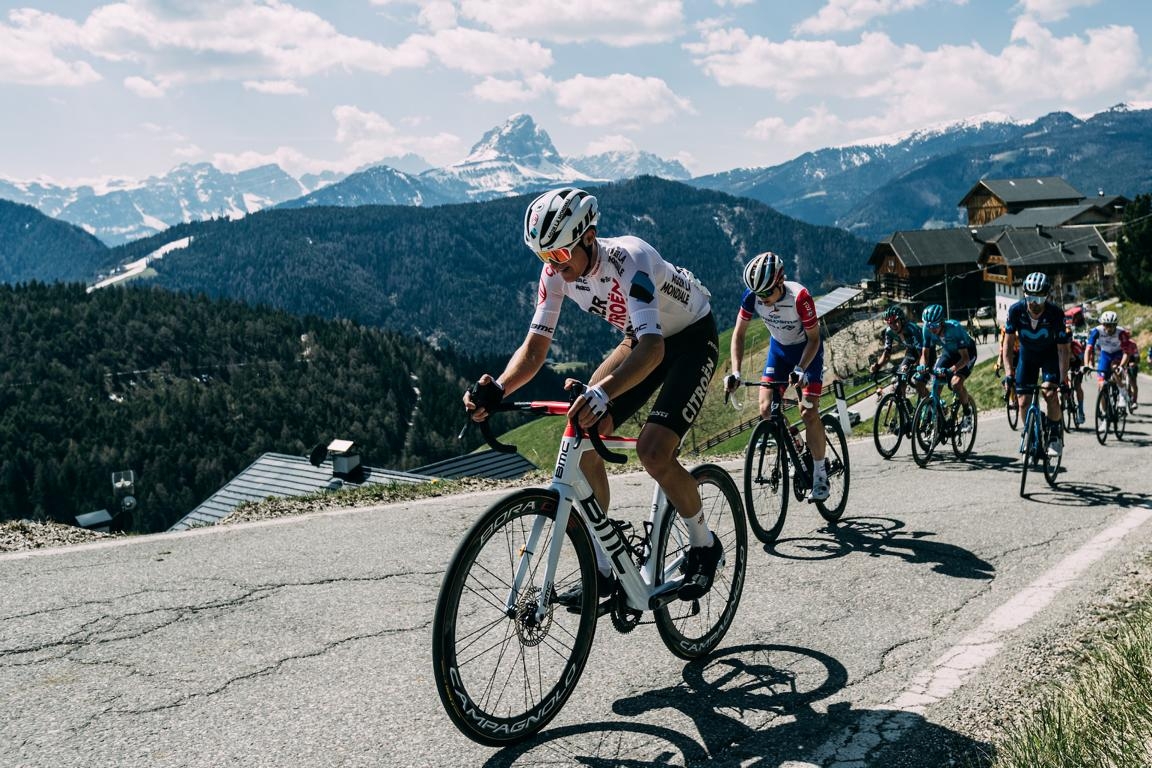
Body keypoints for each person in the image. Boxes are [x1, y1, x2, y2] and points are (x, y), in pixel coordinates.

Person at [464, 187, 722, 603]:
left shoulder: (629, 260)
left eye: (561, 256)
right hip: (638, 338)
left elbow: (655, 349)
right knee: (581, 435)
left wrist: (603, 393)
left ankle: (703, 543)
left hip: (690, 339)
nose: (554, 267)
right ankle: (606, 567)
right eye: (545, 258)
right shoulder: (555, 272)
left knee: (653, 451)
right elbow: (534, 351)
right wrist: (498, 388)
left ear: (589, 236)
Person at [723, 251, 828, 501]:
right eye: (758, 295)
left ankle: (821, 474)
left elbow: (814, 339)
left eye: (766, 294)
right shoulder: (752, 296)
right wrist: (736, 371)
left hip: (806, 353)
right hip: (779, 352)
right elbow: (738, 335)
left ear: (780, 282)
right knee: (766, 409)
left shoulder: (799, 297)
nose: (762, 299)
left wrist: (801, 368)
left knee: (808, 412)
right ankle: (798, 445)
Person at [1001, 272, 1070, 456]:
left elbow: (1063, 350)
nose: (1034, 303)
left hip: (1049, 356)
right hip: (1027, 356)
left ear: (1047, 296)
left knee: (1049, 393)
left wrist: (1063, 380)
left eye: (1040, 298)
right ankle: (1030, 431)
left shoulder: (1055, 313)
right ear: (1025, 295)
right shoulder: (1016, 311)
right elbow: (1007, 345)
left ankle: (1055, 434)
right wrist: (1009, 373)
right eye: (1031, 297)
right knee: (1023, 402)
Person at [919, 303, 977, 414]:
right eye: (928, 326)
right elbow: (924, 355)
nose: (931, 329)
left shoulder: (954, 328)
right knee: (936, 382)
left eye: (934, 325)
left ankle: (967, 410)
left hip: (967, 353)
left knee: (956, 383)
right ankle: (939, 419)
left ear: (942, 322)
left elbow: (965, 358)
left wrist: (950, 370)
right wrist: (922, 366)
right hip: (949, 352)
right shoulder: (927, 329)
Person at [869, 304, 930, 399]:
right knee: (901, 380)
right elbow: (886, 354)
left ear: (902, 320)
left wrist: (915, 365)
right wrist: (877, 366)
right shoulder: (889, 332)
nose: (893, 326)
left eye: (895, 322)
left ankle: (933, 403)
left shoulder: (911, 329)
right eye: (890, 323)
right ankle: (904, 404)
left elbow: (921, 353)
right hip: (911, 351)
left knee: (919, 384)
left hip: (925, 352)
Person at [1084, 311, 1133, 398]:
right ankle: (1103, 411)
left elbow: (1126, 352)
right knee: (1101, 384)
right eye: (1106, 325)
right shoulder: (1097, 331)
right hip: (1105, 355)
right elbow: (1088, 349)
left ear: (1116, 324)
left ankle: (1122, 393)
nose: (1109, 328)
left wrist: (1121, 366)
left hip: (1118, 354)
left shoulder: (1121, 332)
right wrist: (1086, 365)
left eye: (1112, 325)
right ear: (1102, 324)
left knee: (1115, 368)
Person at [1064, 316, 1087, 425]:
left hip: (1076, 364)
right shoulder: (1057, 346)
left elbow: (1082, 361)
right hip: (1065, 364)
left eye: (1068, 340)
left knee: (1077, 385)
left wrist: (1081, 369)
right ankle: (1064, 401)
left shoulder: (1076, 346)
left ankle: (1081, 411)